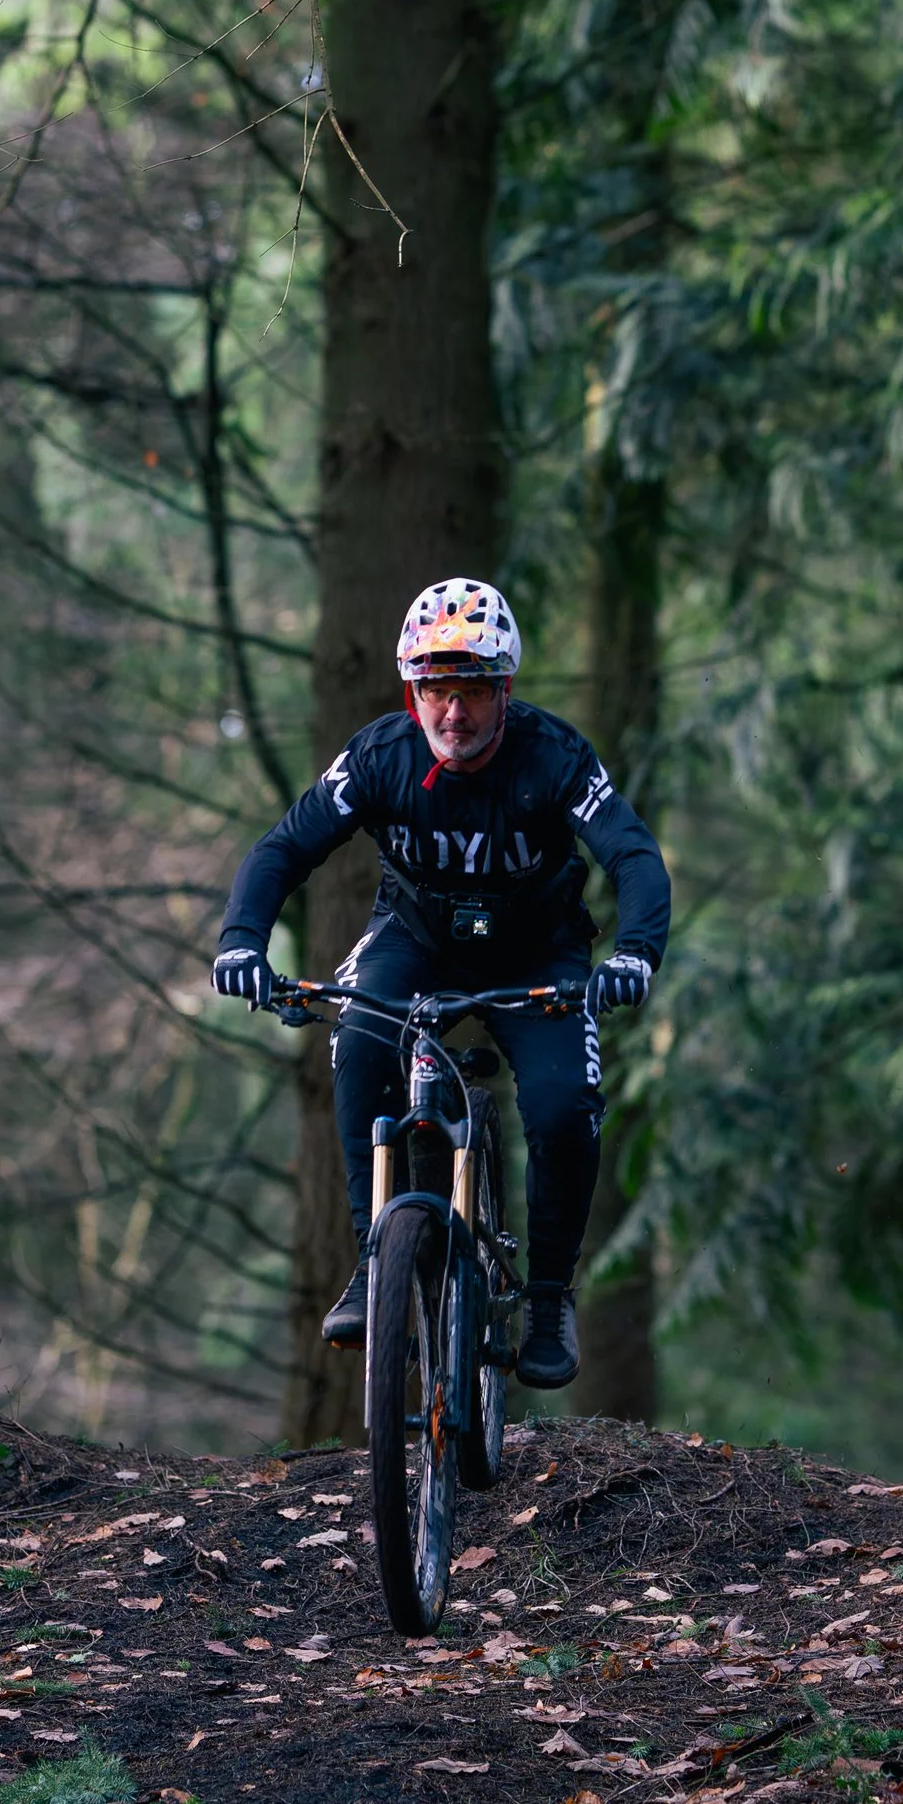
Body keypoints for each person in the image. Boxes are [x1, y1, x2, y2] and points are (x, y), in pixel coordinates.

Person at [212, 576, 670, 1391]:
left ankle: (550, 1299)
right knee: (358, 1046)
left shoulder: (554, 758)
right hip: (414, 938)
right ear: (410, 691)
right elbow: (284, 848)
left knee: (565, 1109)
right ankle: (374, 1262)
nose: (451, 714)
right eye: (434, 691)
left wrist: (634, 953)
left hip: (539, 953)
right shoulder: (380, 757)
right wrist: (243, 942)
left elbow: (632, 853)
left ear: (505, 691)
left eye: (472, 692)